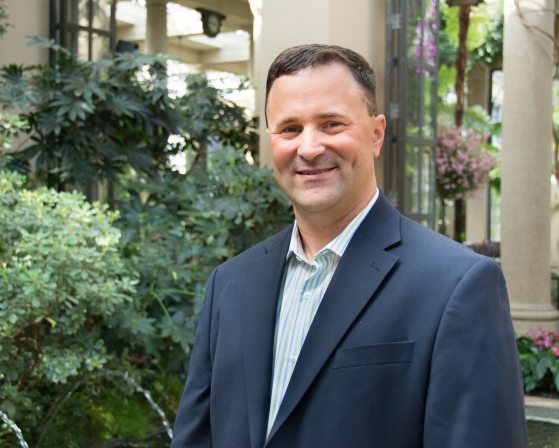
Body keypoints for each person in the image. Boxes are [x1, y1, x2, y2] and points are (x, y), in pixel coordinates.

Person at [171, 44, 527, 448]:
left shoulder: (457, 285)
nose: (308, 147)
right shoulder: (229, 284)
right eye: (290, 129)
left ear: (376, 135)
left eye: (332, 124)